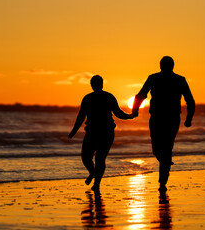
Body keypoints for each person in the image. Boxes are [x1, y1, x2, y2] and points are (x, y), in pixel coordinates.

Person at [132, 56, 195, 192]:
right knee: (159, 149)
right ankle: (165, 168)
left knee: (165, 149)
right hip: (160, 118)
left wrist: (135, 111)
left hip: (168, 118)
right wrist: (135, 110)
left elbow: (190, 100)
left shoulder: (178, 80)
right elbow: (141, 95)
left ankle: (162, 183)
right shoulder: (155, 78)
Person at [69, 75, 134, 193]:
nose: (96, 85)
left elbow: (118, 112)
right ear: (93, 85)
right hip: (92, 132)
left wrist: (129, 116)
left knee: (100, 158)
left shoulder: (108, 97)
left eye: (97, 83)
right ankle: (92, 173)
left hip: (106, 132)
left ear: (99, 84)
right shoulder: (88, 98)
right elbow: (81, 116)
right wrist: (74, 130)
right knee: (86, 157)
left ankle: (97, 184)